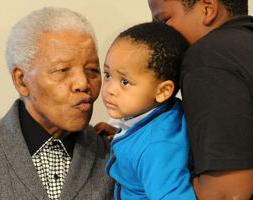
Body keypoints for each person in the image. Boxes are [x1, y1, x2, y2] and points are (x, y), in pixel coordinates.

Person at [0, 7, 114, 200]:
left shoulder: (113, 154)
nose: (83, 83)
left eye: (92, 70)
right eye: (63, 70)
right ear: (21, 80)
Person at [148, 0, 253, 199]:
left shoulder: (207, 57)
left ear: (208, 8)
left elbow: (227, 193)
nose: (158, 36)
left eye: (163, 20)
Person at [102, 22, 195, 199]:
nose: (109, 89)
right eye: (107, 75)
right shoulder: (165, 113)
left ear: (162, 91)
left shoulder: (156, 148)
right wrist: (122, 132)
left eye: (125, 82)